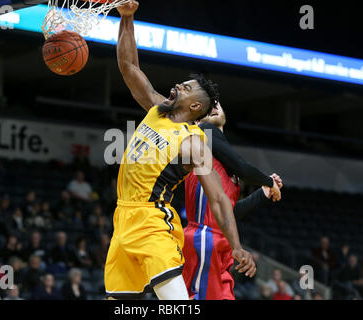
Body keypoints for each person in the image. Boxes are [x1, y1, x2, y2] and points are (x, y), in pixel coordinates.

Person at [104, 0, 256, 300]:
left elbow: (219, 200)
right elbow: (129, 67)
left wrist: (236, 246)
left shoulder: (193, 142)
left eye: (185, 88)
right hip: (122, 219)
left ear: (196, 107)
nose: (178, 86)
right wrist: (127, 18)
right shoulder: (156, 108)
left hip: (152, 222)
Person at [182, 101, 282, 300]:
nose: (213, 107)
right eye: (207, 106)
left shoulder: (220, 156)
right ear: (197, 118)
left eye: (216, 104)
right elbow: (242, 167)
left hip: (219, 240)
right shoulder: (203, 132)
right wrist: (269, 181)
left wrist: (262, 193)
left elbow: (230, 213)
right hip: (203, 236)